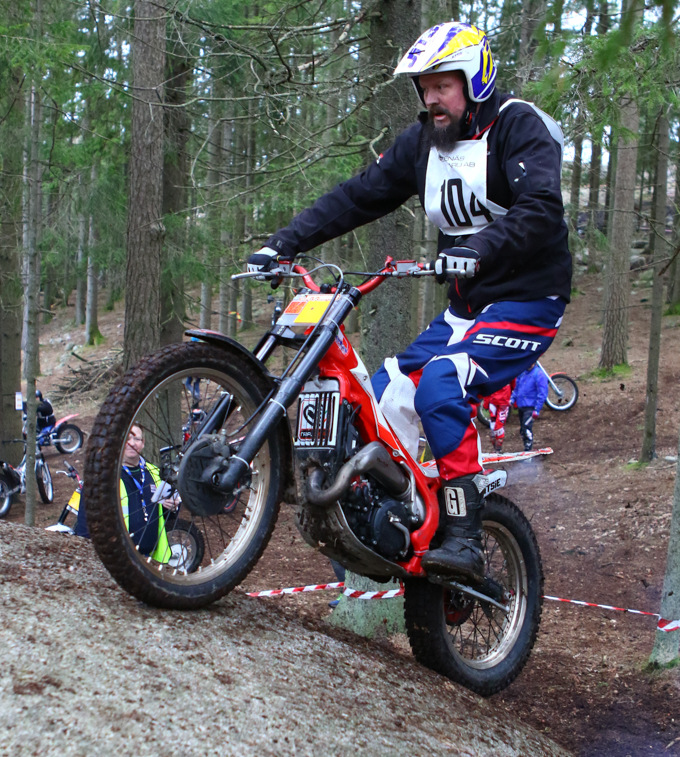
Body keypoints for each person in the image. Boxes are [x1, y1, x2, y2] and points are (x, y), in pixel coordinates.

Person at [246, 22, 571, 582]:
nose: (431, 99)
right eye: (424, 88)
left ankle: (466, 535)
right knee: (382, 399)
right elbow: (359, 195)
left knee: (442, 383)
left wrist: (476, 248)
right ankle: (394, 521)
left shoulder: (518, 126)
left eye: (442, 85)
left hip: (529, 302)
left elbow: (541, 207)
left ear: (475, 79)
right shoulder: (423, 141)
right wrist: (285, 242)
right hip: (466, 311)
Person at [75, 425, 174, 563]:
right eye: (127, 438)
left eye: (137, 439)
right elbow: (85, 523)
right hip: (117, 562)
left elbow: (165, 515)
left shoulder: (155, 473)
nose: (132, 443)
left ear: (143, 443)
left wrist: (172, 507)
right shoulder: (101, 477)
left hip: (150, 561)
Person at [511, 363, 549, 452]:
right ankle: (526, 446)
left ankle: (528, 448)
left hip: (531, 407)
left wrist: (537, 409)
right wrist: (512, 399)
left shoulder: (538, 374)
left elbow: (542, 393)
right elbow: (517, 388)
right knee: (522, 429)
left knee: (526, 427)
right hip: (521, 406)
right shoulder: (522, 373)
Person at [482, 383, 513, 452]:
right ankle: (496, 448)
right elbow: (487, 386)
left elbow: (514, 384)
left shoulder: (508, 375)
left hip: (503, 402)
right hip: (495, 401)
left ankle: (498, 449)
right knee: (494, 426)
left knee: (498, 426)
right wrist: (486, 403)